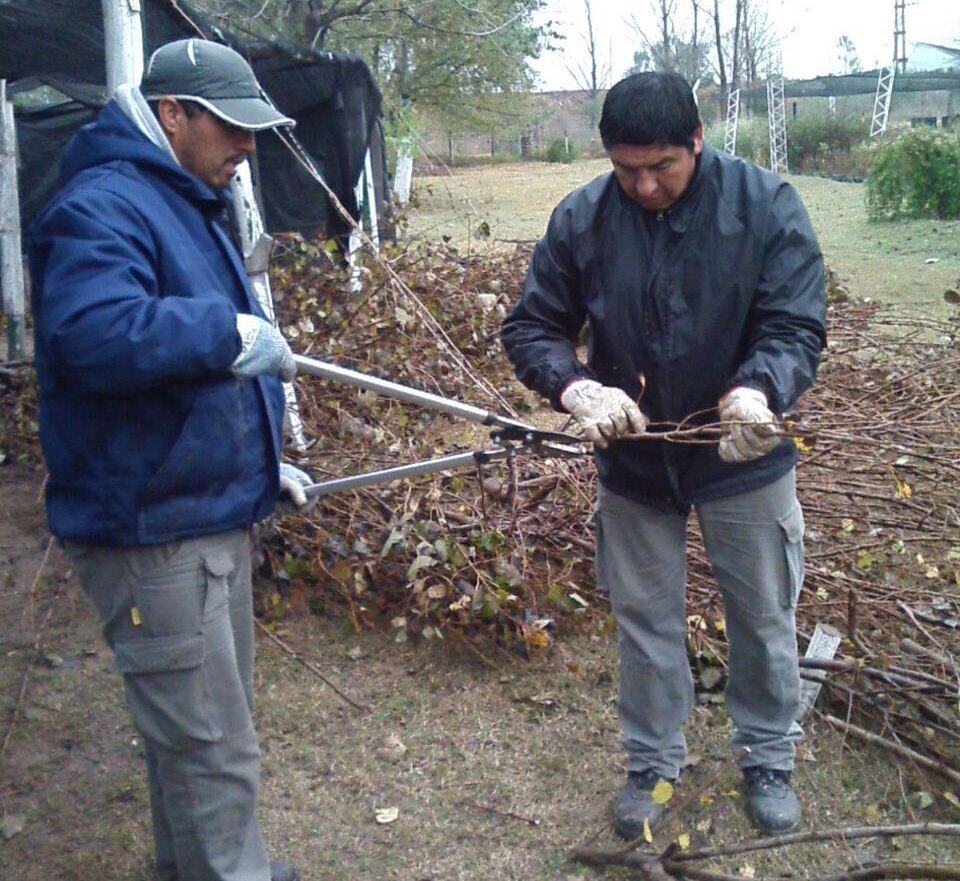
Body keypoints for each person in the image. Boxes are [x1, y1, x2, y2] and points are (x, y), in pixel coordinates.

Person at [501, 72, 825, 837]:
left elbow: (794, 324)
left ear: (697, 141)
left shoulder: (764, 207)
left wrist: (759, 390)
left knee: (762, 614)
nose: (643, 186)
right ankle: (652, 759)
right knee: (646, 618)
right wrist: (575, 387)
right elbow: (533, 326)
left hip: (742, 453)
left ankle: (769, 752)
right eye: (626, 169)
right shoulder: (582, 218)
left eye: (661, 168)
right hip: (636, 460)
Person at [29, 38, 315, 881]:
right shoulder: (103, 205)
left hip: (199, 510)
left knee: (195, 733)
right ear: (172, 116)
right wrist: (224, 332)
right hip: (153, 529)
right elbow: (92, 334)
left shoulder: (183, 194)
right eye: (233, 127)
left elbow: (187, 376)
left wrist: (261, 467)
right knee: (209, 746)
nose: (248, 146)